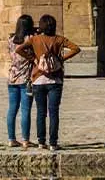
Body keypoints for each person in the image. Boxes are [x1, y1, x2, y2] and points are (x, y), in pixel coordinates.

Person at [15, 14, 81, 151]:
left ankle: (41, 142)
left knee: (41, 112)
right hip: (55, 80)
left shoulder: (35, 39)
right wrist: (61, 58)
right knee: (54, 112)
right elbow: (76, 48)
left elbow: (19, 49)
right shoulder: (59, 39)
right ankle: (53, 142)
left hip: (38, 79)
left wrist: (33, 58)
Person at [5, 14, 36, 148]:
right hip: (25, 78)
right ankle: (25, 139)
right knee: (25, 110)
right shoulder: (30, 39)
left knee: (12, 109)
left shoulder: (11, 39)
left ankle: (11, 138)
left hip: (12, 77)